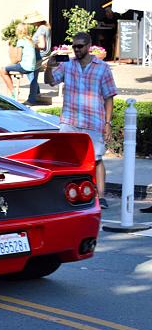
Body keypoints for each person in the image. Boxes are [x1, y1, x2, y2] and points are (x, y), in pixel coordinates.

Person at [45, 32, 117, 209]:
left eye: (80, 46)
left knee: (97, 158)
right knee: (66, 159)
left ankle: (101, 196)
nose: (76, 49)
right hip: (70, 120)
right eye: (74, 46)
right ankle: (69, 195)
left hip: (93, 121)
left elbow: (109, 97)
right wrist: (48, 67)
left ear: (89, 45)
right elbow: (51, 81)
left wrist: (108, 123)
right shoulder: (67, 65)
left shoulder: (102, 67)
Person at [0, 22, 36, 96]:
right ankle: (12, 92)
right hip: (32, 67)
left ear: (18, 31)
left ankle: (13, 92)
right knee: (7, 69)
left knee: (2, 70)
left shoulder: (21, 41)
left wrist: (9, 64)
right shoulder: (30, 40)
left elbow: (18, 58)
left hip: (24, 67)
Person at [24, 12, 51, 105]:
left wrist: (30, 44)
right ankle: (37, 94)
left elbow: (42, 45)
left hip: (39, 55)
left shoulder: (41, 29)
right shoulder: (44, 28)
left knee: (32, 77)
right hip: (41, 55)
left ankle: (32, 99)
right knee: (31, 75)